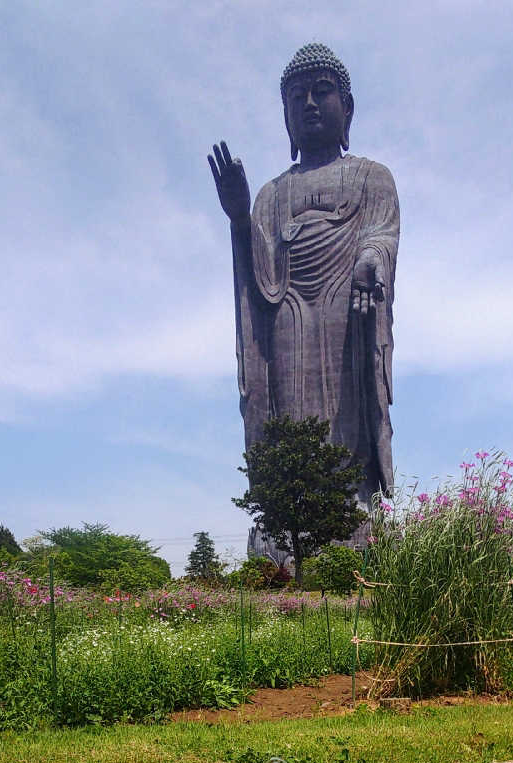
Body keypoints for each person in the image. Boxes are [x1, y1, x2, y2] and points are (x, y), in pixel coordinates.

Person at [208, 43, 399, 506]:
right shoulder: (271, 195)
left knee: (346, 419)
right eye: (297, 98)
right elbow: (261, 278)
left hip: (346, 309)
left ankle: (355, 511)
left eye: (321, 92)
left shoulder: (372, 177)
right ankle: (289, 521)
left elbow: (381, 233)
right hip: (288, 314)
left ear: (346, 108)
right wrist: (238, 218)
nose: (309, 104)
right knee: (290, 419)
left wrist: (371, 257)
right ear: (285, 117)